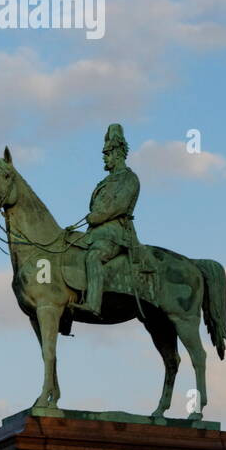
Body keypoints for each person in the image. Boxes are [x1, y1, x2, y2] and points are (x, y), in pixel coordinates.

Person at [76, 123, 141, 314]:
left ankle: (93, 304)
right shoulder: (104, 182)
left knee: (93, 257)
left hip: (116, 234)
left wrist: (98, 216)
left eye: (107, 153)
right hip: (96, 233)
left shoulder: (129, 178)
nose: (104, 157)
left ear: (118, 153)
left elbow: (119, 206)